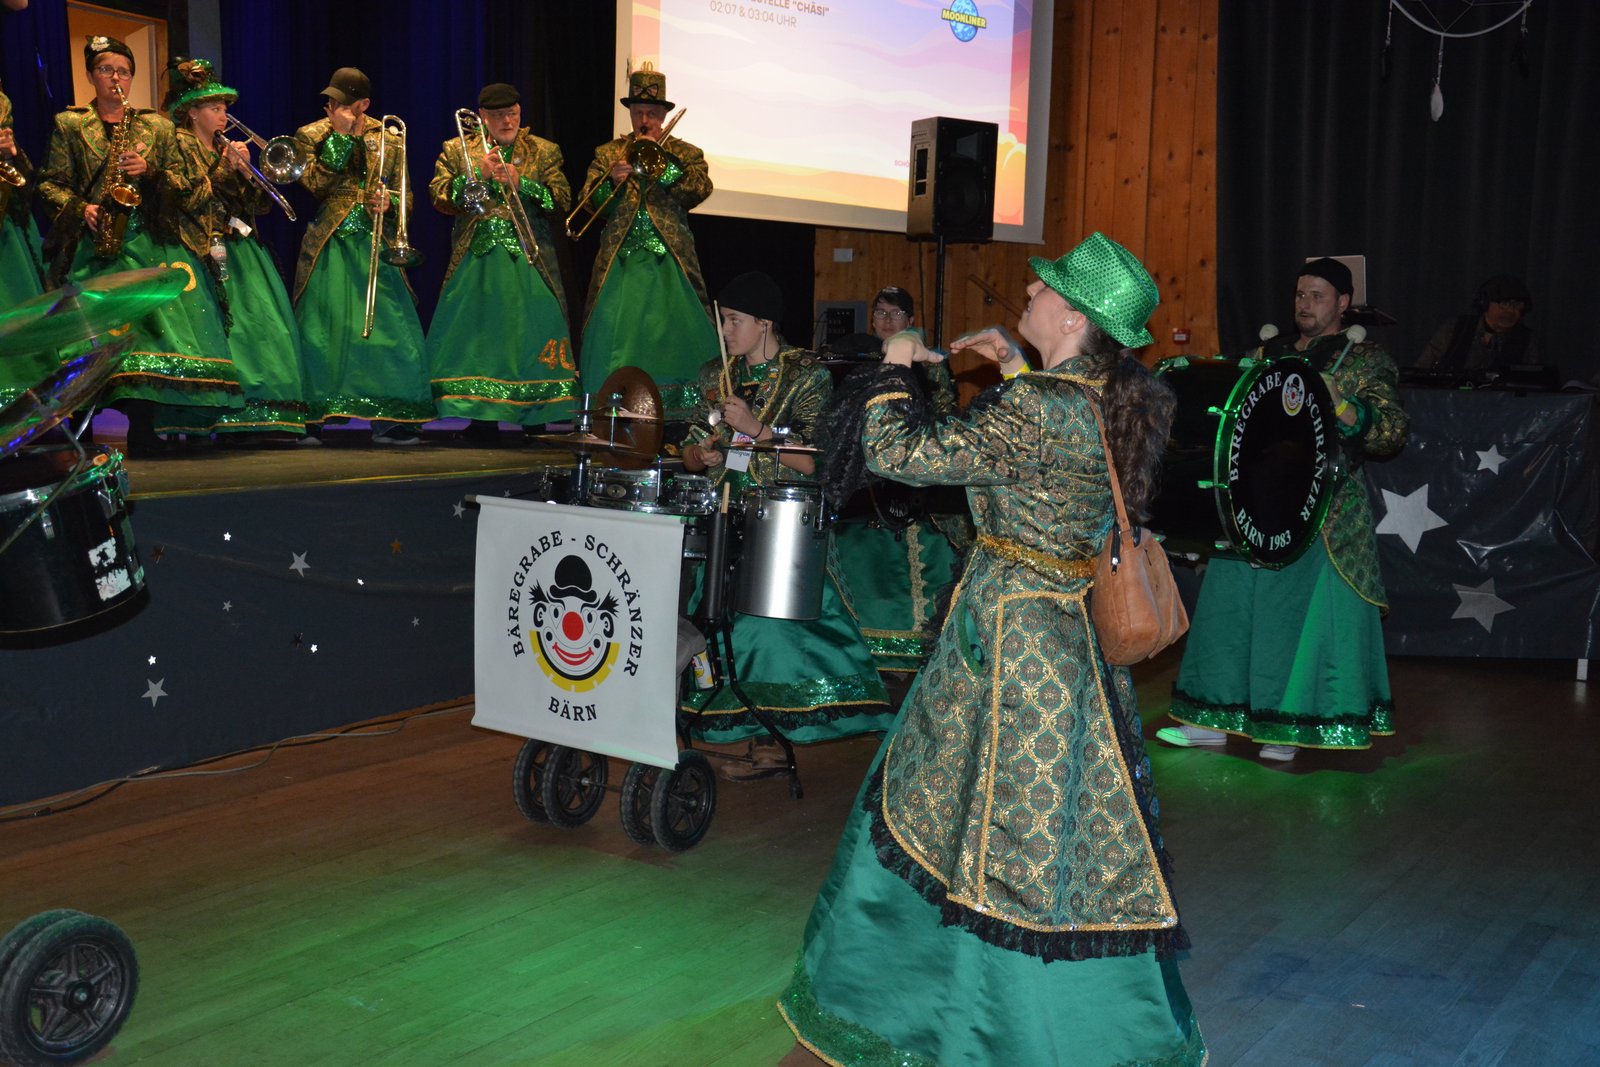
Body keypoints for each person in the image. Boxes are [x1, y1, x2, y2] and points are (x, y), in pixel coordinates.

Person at [781, 234, 1204, 1065]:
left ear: (1074, 319)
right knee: (1050, 836)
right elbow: (1040, 463)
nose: (1030, 293)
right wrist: (1013, 366)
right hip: (1070, 643)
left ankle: (972, 1026)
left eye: (1046, 289)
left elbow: (899, 454)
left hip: (1009, 643)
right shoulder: (1108, 398)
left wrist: (894, 367)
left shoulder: (1041, 407)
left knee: (981, 834)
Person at [1159, 257, 1408, 761]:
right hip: (1253, 504)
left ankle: (1287, 726)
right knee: (1228, 608)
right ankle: (1210, 719)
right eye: (1300, 294)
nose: (1305, 304)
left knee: (1290, 617)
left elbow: (1390, 433)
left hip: (1324, 510)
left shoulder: (1365, 360)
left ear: (1343, 303)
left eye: (1317, 296)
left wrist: (1343, 406)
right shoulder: (1266, 354)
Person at [679, 271, 891, 779]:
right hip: (724, 518)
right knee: (715, 623)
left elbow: (817, 461)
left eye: (734, 321)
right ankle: (731, 725)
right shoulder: (714, 375)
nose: (725, 331)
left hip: (783, 528)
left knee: (769, 631)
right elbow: (687, 451)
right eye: (723, 321)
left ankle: (770, 739)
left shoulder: (805, 375)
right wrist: (703, 453)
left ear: (764, 323)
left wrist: (757, 430)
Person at [33, 35, 240, 454]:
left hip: (147, 241)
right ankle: (82, 432)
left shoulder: (156, 127)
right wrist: (82, 209)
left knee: (151, 334)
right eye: (106, 70)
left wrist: (150, 172)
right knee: (87, 335)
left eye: (124, 72)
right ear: (91, 76)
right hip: (92, 245)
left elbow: (185, 185)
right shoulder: (69, 124)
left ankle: (143, 429)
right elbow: (49, 184)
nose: (116, 78)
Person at [165, 58, 309, 439]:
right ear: (192, 112)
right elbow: (187, 195)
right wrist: (226, 169)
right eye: (215, 108)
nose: (223, 115)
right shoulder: (179, 144)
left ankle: (265, 414)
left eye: (224, 107)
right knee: (228, 331)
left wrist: (249, 176)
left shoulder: (226, 146)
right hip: (201, 246)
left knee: (263, 328)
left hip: (242, 247)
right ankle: (223, 415)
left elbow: (258, 208)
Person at [291, 67, 433, 444]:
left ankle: (391, 417)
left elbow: (408, 197)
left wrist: (390, 204)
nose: (332, 106)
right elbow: (315, 184)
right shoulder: (312, 134)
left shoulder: (390, 137)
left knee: (388, 327)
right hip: (331, 240)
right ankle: (314, 416)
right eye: (330, 100)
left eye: (342, 102)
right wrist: (340, 136)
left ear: (363, 104)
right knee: (322, 326)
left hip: (376, 241)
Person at [426, 82, 574, 440]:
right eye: (498, 115)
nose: (507, 121)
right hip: (476, 259)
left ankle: (536, 417)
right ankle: (482, 420)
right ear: (482, 117)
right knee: (478, 339)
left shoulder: (543, 150)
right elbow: (439, 196)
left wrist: (524, 184)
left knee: (531, 334)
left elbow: (562, 201)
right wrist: (475, 175)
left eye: (513, 114)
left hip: (529, 260)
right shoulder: (457, 149)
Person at [830, 284, 965, 675]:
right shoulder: (858, 360)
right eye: (880, 313)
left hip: (911, 474)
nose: (887, 321)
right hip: (863, 480)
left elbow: (943, 414)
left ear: (911, 320)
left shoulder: (930, 364)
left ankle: (909, 650)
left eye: (895, 314)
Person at [577, 63, 717, 417]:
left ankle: (679, 413)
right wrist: (611, 182)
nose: (644, 120)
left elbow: (699, 190)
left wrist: (663, 165)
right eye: (638, 112)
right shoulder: (609, 153)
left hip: (670, 260)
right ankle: (610, 408)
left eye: (652, 113)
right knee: (614, 334)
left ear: (663, 116)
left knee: (674, 337)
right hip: (620, 261)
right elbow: (589, 203)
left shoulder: (686, 153)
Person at [0, 76, 52, 407]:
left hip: (9, 231)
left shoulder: (2, 102)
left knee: (21, 316)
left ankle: (28, 407)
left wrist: (11, 154)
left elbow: (26, 175)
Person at [1416, 273, 1538, 373]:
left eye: (1516, 305)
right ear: (1485, 304)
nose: (1510, 310)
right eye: (1504, 304)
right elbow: (1421, 368)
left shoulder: (1525, 338)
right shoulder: (1456, 328)